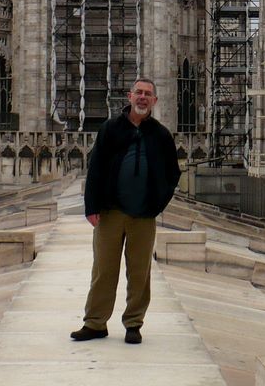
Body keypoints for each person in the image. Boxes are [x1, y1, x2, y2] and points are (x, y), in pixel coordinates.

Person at [71, 78, 181, 345]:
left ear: (154, 101)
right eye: (138, 93)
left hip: (143, 215)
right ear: (130, 97)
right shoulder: (111, 128)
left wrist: (158, 203)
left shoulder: (161, 134)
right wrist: (91, 206)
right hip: (111, 211)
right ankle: (95, 323)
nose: (143, 97)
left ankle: (133, 323)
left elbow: (172, 173)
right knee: (104, 269)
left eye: (148, 94)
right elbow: (96, 168)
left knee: (139, 273)